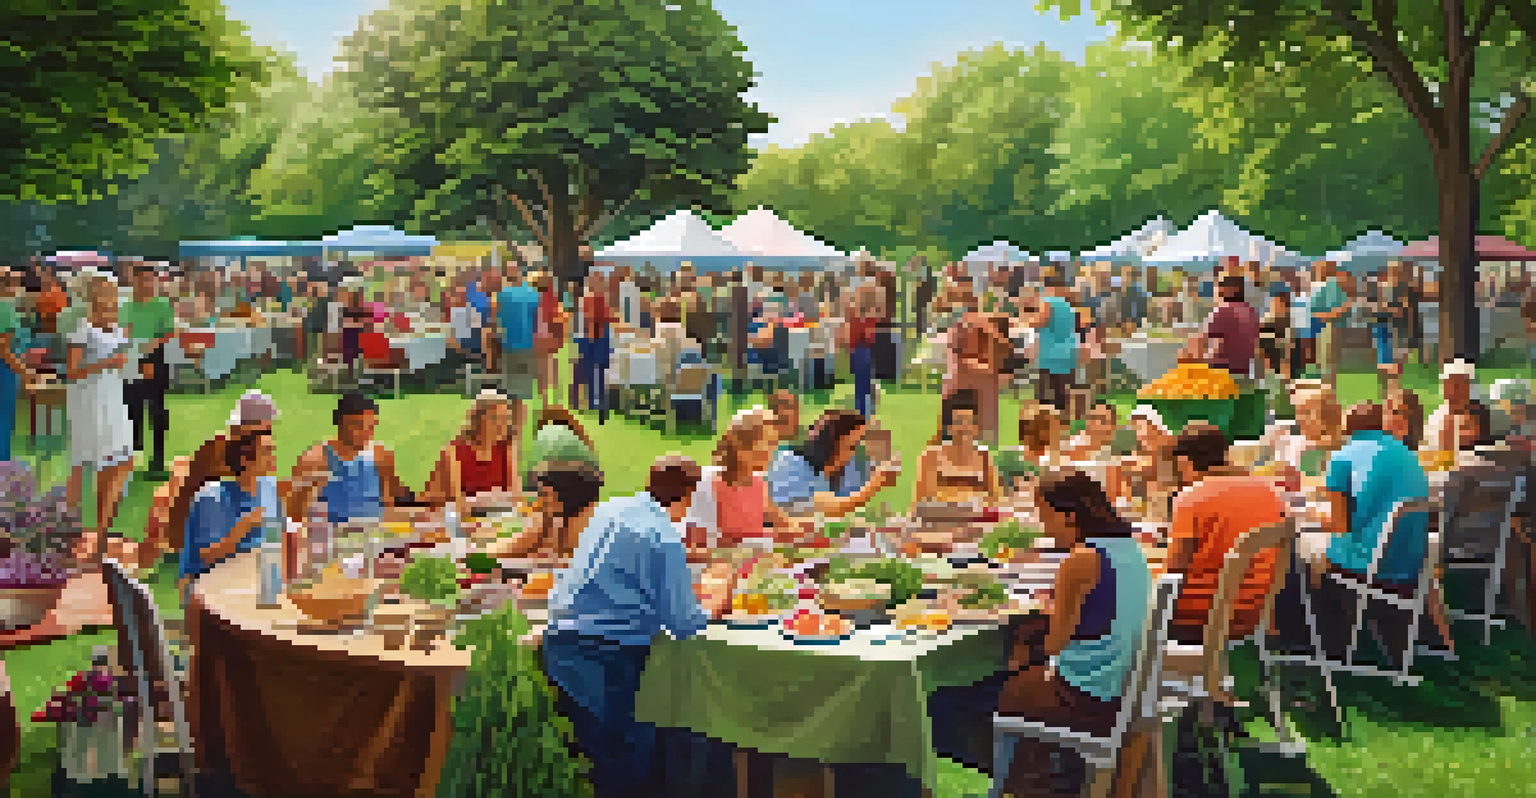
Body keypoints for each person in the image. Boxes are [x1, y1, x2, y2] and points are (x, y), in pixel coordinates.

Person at [543, 455, 728, 798]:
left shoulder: (610, 510)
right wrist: (719, 596)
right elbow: (685, 623)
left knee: (584, 757)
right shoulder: (663, 538)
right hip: (609, 656)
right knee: (626, 759)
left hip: (560, 643)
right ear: (688, 497)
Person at [994, 469, 1153, 797]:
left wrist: (1032, 632)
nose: (1042, 526)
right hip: (1125, 688)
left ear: (1067, 516)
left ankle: (1029, 783)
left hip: (1090, 695)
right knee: (1019, 681)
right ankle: (1044, 779)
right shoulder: (1130, 549)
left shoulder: (1081, 560)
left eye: (1044, 516)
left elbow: (1055, 643)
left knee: (993, 690)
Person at [1275, 403, 1431, 660]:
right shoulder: (1405, 453)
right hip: (1408, 560)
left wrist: (1300, 514)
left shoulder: (1342, 457)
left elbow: (1339, 524)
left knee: (1297, 550)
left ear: (1346, 428)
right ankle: (1336, 637)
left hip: (1369, 565)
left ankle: (1310, 641)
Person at [1165, 423, 1285, 646]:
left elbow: (1174, 571)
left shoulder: (1191, 498)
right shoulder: (1268, 492)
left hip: (1201, 615)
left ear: (1185, 462)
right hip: (1259, 611)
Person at [156, 391, 280, 555]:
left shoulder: (223, 447)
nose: (270, 435)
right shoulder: (226, 453)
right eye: (267, 429)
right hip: (196, 539)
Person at [64, 271, 136, 553]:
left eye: (114, 293)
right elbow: (72, 371)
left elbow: (119, 364)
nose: (112, 298)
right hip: (89, 403)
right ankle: (80, 535)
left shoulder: (116, 328)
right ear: (94, 296)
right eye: (107, 292)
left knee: (121, 464)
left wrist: (123, 363)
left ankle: (102, 535)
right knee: (93, 466)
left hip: (113, 399)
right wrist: (108, 362)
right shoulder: (83, 330)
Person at [178, 427, 283, 583]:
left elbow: (281, 537)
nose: (273, 458)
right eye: (266, 452)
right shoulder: (213, 497)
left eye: (272, 451)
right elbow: (207, 558)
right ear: (245, 460)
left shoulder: (270, 488)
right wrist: (242, 528)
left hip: (260, 580)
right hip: (215, 585)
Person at [685, 409, 798, 548]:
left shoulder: (758, 482)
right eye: (769, 443)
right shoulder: (708, 485)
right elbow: (695, 545)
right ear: (742, 448)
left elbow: (783, 527)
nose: (774, 450)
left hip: (754, 564)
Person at [287, 393, 406, 523]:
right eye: (357, 426)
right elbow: (294, 515)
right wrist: (307, 488)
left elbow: (389, 502)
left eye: (370, 426)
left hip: (375, 535)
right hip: (330, 538)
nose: (365, 433)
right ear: (339, 423)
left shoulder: (382, 456)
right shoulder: (314, 460)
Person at [766, 409, 898, 518]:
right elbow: (803, 510)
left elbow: (845, 511)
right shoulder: (789, 463)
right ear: (831, 443)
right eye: (851, 446)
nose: (853, 453)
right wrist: (874, 484)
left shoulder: (832, 475)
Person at [120, 262, 176, 481]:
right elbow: (122, 331)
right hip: (131, 358)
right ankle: (131, 455)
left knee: (157, 408)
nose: (146, 284)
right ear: (133, 281)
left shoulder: (162, 305)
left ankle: (158, 458)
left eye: (150, 280)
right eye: (142, 280)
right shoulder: (125, 306)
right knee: (131, 407)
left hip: (155, 359)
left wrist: (155, 343)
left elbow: (170, 332)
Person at [425, 391, 523, 510]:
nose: (501, 425)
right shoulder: (454, 452)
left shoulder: (505, 448)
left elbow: (516, 497)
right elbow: (456, 503)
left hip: (490, 520)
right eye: (494, 418)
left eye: (505, 419)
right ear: (476, 419)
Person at [496, 459, 605, 558]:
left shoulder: (578, 537)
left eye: (544, 494)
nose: (539, 500)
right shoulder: (557, 526)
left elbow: (503, 552)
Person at [912, 390, 1001, 506]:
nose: (965, 427)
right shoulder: (931, 457)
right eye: (959, 421)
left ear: (975, 428)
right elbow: (922, 503)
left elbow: (994, 502)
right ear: (949, 428)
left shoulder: (984, 458)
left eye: (969, 422)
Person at [1190, 274, 1259, 377]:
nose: (1216, 289)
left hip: (1221, 371)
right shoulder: (1251, 312)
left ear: (1227, 289)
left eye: (1219, 285)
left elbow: (1200, 343)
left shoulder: (1222, 311)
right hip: (1244, 369)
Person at [0, 268, 35, 463]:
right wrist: (25, 371)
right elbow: (3, 349)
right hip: (4, 370)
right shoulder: (6, 310)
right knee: (3, 418)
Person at [1027, 280, 1078, 413]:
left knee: (1045, 397)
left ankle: (1047, 424)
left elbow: (1040, 321)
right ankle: (1063, 424)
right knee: (1062, 394)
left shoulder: (1049, 302)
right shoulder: (1068, 306)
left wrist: (1027, 320)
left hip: (1050, 355)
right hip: (1067, 353)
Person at [494, 268, 541, 402]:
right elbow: (536, 320)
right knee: (522, 391)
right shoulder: (533, 294)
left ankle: (510, 418)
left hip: (508, 343)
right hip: (526, 343)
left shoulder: (502, 295)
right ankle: (517, 418)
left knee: (509, 390)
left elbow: (497, 318)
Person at [1425, 359, 1486, 452]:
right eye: (1449, 385)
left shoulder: (1481, 414)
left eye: (1459, 386)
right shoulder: (1436, 419)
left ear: (1469, 387)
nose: (1453, 392)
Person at [1309, 261, 1351, 387]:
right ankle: (1328, 390)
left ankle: (1328, 390)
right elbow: (1315, 312)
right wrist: (1337, 312)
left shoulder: (1332, 286)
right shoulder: (1328, 287)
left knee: (1329, 364)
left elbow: (1315, 312)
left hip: (1331, 328)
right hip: (1329, 328)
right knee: (1328, 364)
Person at [1258, 284, 1293, 381]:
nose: (1275, 305)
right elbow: (1261, 343)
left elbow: (1289, 345)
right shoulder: (1266, 320)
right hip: (1268, 362)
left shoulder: (1290, 321)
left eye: (1279, 303)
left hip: (1283, 362)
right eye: (1274, 302)